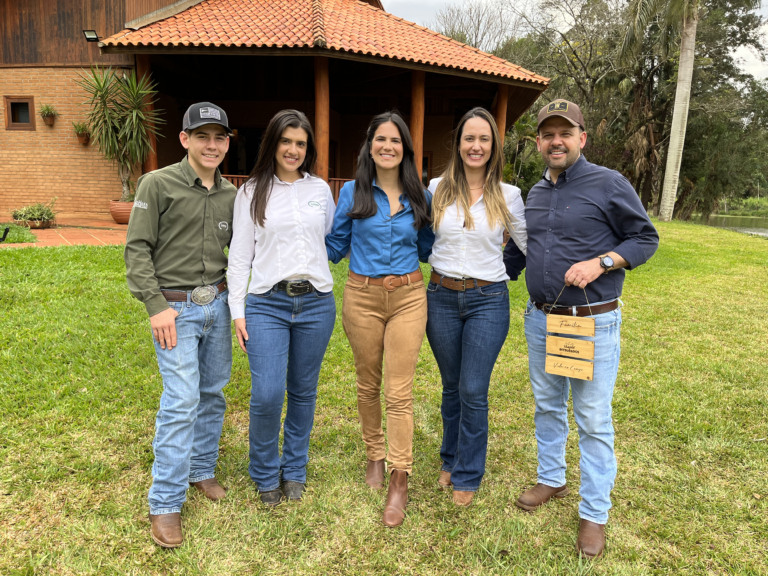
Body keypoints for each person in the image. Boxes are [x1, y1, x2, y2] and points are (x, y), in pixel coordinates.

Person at [503, 99, 658, 558]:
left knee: (592, 419)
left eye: (565, 133)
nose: (556, 141)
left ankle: (594, 512)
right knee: (547, 406)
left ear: (581, 138)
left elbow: (645, 238)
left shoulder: (609, 183)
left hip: (593, 322)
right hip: (541, 319)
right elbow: (518, 253)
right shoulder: (532, 193)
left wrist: (602, 262)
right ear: (538, 142)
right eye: (548, 134)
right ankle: (551, 478)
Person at [125, 102, 237, 548]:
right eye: (203, 136)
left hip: (219, 304)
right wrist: (156, 307)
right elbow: (136, 250)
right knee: (182, 398)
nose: (212, 145)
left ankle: (200, 470)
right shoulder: (157, 184)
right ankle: (165, 502)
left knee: (212, 392)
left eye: (220, 137)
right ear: (185, 139)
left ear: (228, 143)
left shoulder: (232, 194)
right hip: (176, 310)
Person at [326, 111, 433, 527]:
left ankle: (399, 477)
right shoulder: (352, 193)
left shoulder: (418, 195)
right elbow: (334, 246)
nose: (388, 146)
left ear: (405, 148)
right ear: (369, 145)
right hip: (362, 297)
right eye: (380, 139)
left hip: (408, 296)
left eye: (396, 140)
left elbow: (427, 246)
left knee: (399, 390)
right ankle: (374, 453)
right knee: (367, 382)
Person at [227, 110, 336, 507]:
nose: (293, 150)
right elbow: (240, 256)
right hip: (266, 304)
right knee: (268, 393)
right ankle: (264, 472)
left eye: (301, 143)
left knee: (304, 392)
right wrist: (237, 311)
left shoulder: (321, 190)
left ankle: (295, 470)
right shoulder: (250, 192)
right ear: (272, 143)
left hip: (316, 304)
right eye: (286, 141)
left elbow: (326, 238)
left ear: (308, 149)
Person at [426, 107, 527, 506]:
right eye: (470, 138)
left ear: (494, 146)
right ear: (458, 143)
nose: (476, 145)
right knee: (451, 387)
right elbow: (415, 236)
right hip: (441, 298)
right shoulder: (436, 188)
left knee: (473, 389)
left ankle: (469, 471)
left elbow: (529, 244)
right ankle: (450, 458)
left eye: (484, 139)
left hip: (488, 300)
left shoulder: (510, 195)